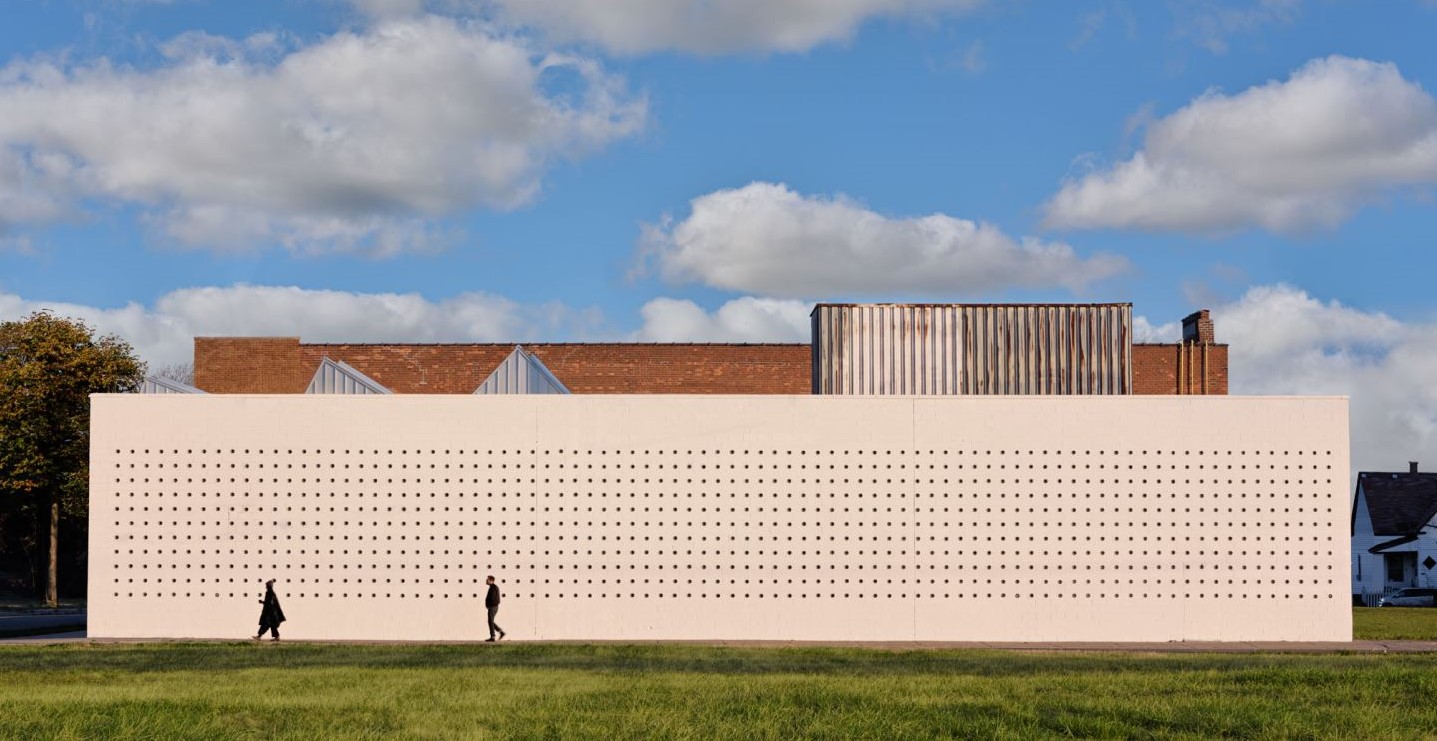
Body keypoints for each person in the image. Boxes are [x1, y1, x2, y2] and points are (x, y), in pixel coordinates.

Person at [484, 575, 505, 641]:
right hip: (493, 607)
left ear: (491, 581)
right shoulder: (493, 587)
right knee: (490, 621)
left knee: (490, 621)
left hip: (493, 607)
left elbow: (494, 599)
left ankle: (493, 636)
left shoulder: (493, 588)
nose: (486, 581)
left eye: (487, 579)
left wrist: (489, 605)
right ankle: (500, 632)